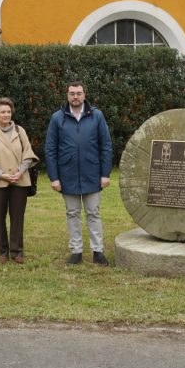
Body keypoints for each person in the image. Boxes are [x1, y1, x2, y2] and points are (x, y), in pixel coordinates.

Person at [45, 81, 114, 266]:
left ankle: (98, 251)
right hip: (67, 175)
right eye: (72, 93)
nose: (75, 97)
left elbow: (106, 146)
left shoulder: (97, 116)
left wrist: (105, 174)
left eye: (79, 93)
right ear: (67, 95)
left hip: (93, 173)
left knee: (93, 213)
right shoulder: (57, 118)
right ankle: (76, 251)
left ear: (84, 95)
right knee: (72, 213)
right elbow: (50, 149)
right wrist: (54, 177)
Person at [0, 97, 38, 264]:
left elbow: (28, 155)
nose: (6, 114)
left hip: (20, 180)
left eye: (8, 111)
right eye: (2, 112)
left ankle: (17, 251)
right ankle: (2, 251)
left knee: (17, 217)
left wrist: (20, 171)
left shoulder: (20, 131)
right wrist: (1, 174)